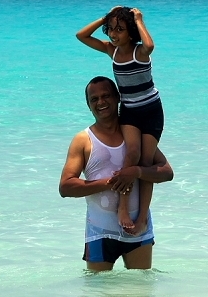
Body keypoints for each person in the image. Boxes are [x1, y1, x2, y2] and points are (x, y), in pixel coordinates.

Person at [59, 76, 174, 271]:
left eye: (106, 96)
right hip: (99, 232)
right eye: (94, 99)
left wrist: (136, 171)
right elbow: (66, 187)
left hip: (138, 228)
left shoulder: (135, 136)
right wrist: (112, 182)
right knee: (99, 295)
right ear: (88, 105)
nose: (101, 102)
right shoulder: (83, 140)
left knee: (139, 293)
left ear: (118, 98)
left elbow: (166, 172)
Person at [76, 7, 164, 236]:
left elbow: (150, 45)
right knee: (132, 153)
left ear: (131, 32)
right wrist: (104, 17)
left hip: (151, 110)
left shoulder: (140, 53)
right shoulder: (111, 51)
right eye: (111, 29)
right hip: (130, 111)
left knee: (144, 164)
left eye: (120, 30)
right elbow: (81, 36)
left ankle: (143, 216)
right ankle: (123, 208)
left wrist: (138, 19)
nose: (114, 34)